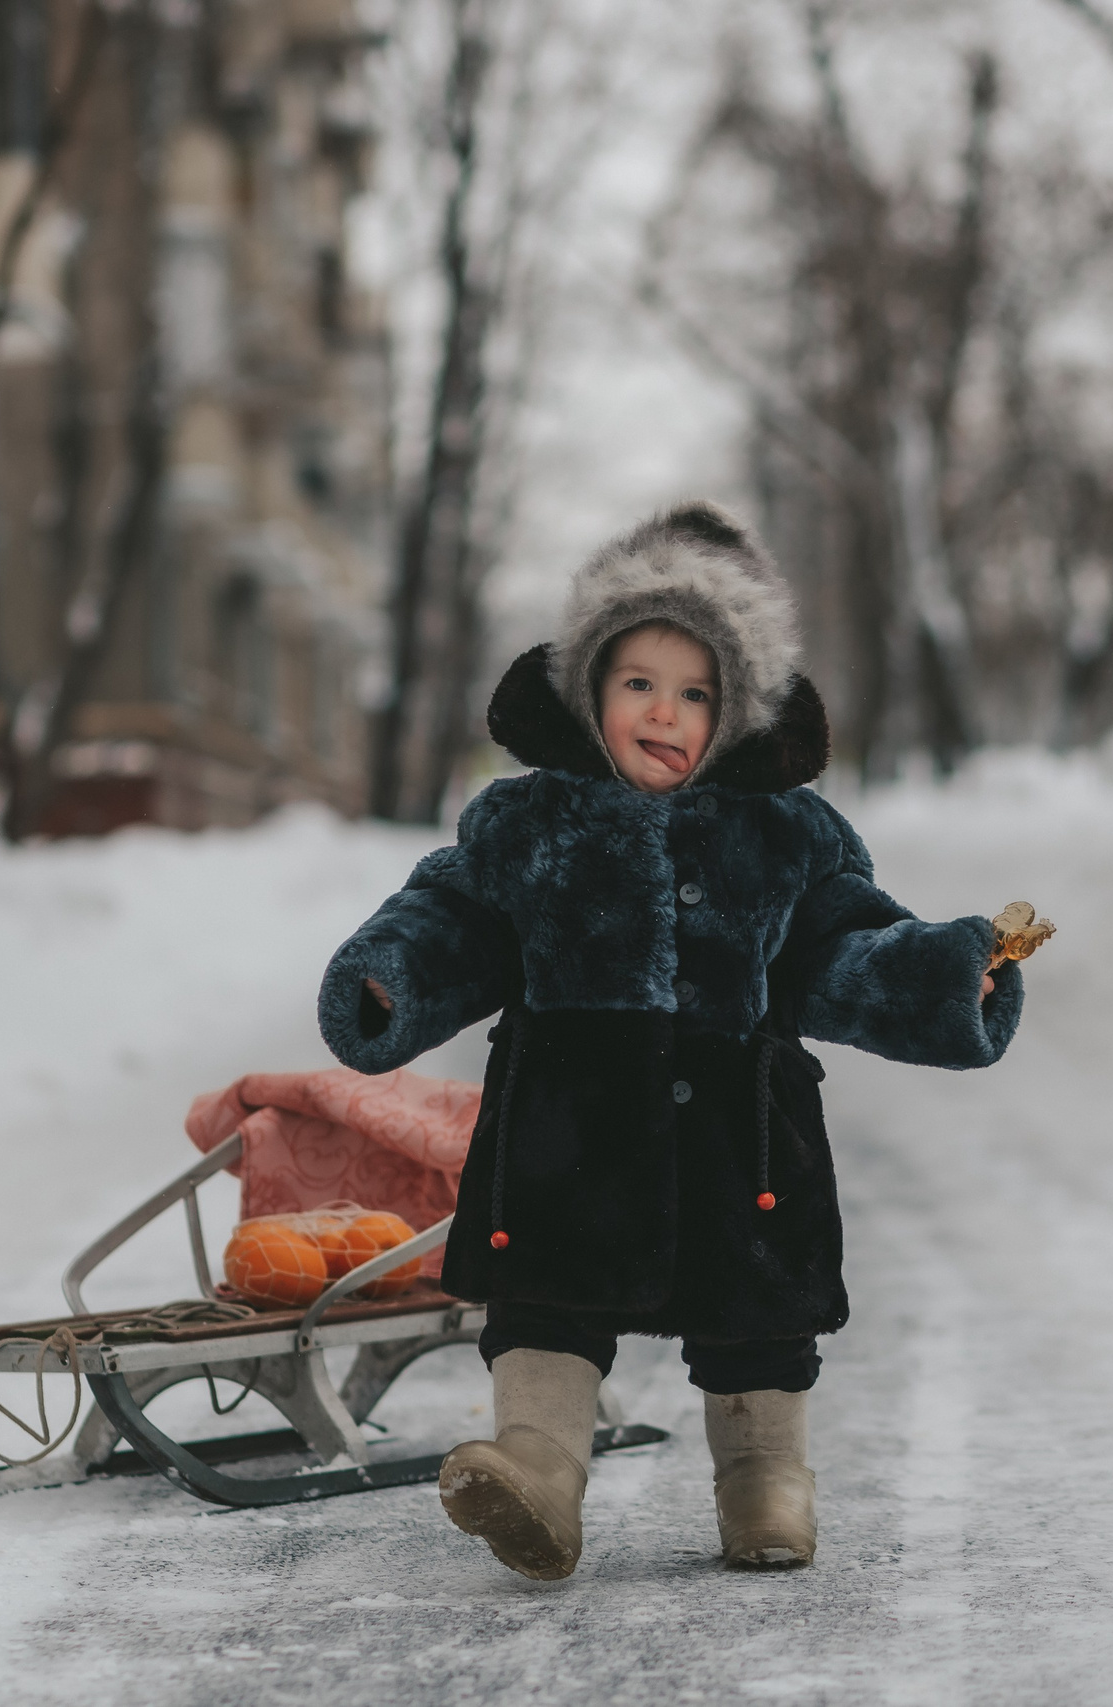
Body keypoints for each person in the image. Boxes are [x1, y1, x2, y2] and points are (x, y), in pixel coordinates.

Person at [316, 500, 1024, 1580]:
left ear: (735, 713)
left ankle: (766, 1486)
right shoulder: (529, 823)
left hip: (742, 1130)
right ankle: (536, 1468)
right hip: (567, 1124)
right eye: (637, 682)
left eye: (696, 692)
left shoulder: (788, 838)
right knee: (544, 1304)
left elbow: (843, 951)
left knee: (758, 1324)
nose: (665, 712)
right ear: (589, 687)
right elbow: (453, 920)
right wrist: (389, 983)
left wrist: (941, 978)